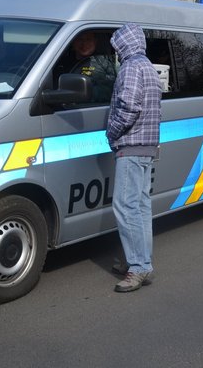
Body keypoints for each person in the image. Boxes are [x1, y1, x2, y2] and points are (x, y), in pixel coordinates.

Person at [107, 23, 161, 293]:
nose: (115, 53)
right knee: (140, 208)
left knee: (125, 207)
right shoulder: (148, 66)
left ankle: (138, 267)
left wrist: (111, 132)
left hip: (131, 146)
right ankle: (141, 262)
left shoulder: (129, 68)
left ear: (122, 45)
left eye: (116, 47)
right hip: (148, 146)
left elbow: (128, 107)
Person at [62, 31, 117, 103]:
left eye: (88, 39)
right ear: (73, 42)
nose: (84, 43)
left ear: (95, 41)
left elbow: (110, 89)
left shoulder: (103, 62)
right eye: (80, 39)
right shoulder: (61, 61)